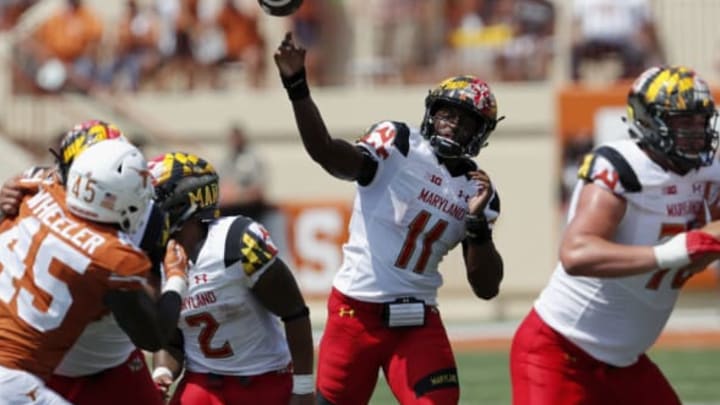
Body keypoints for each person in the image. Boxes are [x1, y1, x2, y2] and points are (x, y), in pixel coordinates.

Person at [274, 32, 504, 404]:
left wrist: (478, 228)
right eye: (446, 112)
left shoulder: (478, 191)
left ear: (481, 133)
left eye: (465, 120)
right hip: (356, 313)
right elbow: (328, 154)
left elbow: (487, 288)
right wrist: (297, 86)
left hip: (418, 319)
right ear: (431, 111)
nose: (452, 124)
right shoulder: (400, 144)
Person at [510, 65, 720, 404]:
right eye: (684, 121)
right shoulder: (624, 167)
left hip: (625, 363)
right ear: (648, 120)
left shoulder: (711, 170)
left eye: (701, 120)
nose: (696, 131)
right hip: (560, 351)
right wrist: (670, 253)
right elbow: (577, 253)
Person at [0, 139, 188, 403]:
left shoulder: (34, 193)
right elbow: (153, 336)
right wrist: (177, 279)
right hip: (15, 378)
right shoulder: (110, 257)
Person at [148, 152, 315, 405]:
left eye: (154, 198)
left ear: (185, 199)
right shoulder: (153, 257)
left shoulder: (236, 243)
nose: (146, 208)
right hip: (201, 383)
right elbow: (171, 340)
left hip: (262, 380)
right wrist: (161, 373)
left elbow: (294, 312)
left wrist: (303, 387)